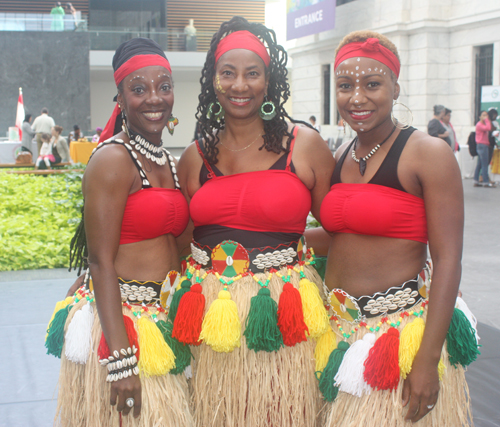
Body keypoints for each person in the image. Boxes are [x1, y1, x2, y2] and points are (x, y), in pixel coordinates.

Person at [177, 16, 334, 427]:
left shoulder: (304, 145)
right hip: (213, 314)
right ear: (213, 81)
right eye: (227, 73)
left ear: (269, 81)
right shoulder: (194, 157)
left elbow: (339, 228)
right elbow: (180, 239)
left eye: (252, 74)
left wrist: (285, 256)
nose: (239, 85)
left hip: (283, 311)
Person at [313, 31, 476, 426]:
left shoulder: (427, 152)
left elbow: (448, 259)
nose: (358, 97)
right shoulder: (339, 155)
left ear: (395, 87)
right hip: (338, 333)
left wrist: (427, 359)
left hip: (400, 337)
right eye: (345, 85)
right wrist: (264, 239)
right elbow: (342, 235)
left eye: (372, 84)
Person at [46, 38, 193, 426]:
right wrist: (121, 362)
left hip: (161, 319)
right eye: (139, 89)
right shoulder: (113, 159)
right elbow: (100, 260)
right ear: (121, 98)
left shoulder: (169, 161)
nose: (154, 98)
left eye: (164, 86)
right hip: (123, 323)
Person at [474, 110, 494, 187]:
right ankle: (485, 182)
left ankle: (476, 181)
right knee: (484, 164)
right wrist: (486, 120)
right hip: (482, 145)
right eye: (483, 115)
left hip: (482, 145)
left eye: (486, 115)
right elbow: (488, 128)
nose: (485, 116)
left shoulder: (482, 124)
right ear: (480, 116)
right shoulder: (479, 124)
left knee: (479, 164)